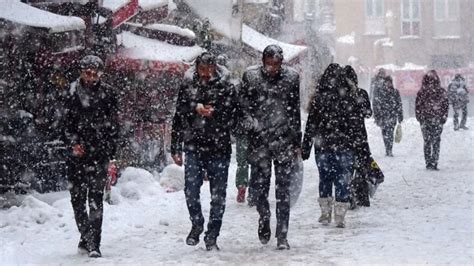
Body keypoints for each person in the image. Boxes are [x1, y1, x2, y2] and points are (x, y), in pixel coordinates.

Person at [171, 52, 238, 251]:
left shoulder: (226, 86)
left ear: (215, 68)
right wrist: (175, 146)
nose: (206, 74)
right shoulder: (188, 85)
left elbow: (234, 116)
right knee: (191, 190)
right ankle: (197, 223)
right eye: (202, 69)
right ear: (197, 68)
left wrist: (215, 113)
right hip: (193, 145)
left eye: (209, 70)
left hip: (219, 147)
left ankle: (212, 235)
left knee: (218, 195)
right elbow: (179, 114)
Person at [240, 45, 301, 250]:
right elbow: (243, 107)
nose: (272, 68)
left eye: (276, 64)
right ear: (263, 61)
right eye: (269, 64)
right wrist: (250, 124)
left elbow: (294, 112)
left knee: (283, 191)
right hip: (260, 141)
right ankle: (264, 217)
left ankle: (282, 234)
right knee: (259, 189)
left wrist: (296, 141)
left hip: (283, 140)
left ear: (281, 63)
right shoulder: (251, 78)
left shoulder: (291, 79)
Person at [62, 55, 120, 258]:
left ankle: (94, 242)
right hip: (77, 154)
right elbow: (64, 123)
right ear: (81, 72)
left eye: (95, 73)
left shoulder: (109, 94)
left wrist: (111, 154)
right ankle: (86, 235)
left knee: (95, 199)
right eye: (87, 73)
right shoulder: (71, 92)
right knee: (77, 199)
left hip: (99, 153)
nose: (91, 77)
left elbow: (114, 126)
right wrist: (73, 144)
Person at [302, 63, 366, 228]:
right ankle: (340, 214)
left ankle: (325, 212)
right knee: (342, 180)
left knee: (324, 179)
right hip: (345, 147)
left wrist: (306, 147)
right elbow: (357, 126)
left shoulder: (318, 99)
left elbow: (311, 125)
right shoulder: (350, 98)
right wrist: (361, 147)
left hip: (323, 147)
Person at [343, 66, 373, 208]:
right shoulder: (361, 93)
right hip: (359, 135)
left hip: (344, 136)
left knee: (346, 167)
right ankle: (359, 194)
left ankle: (347, 194)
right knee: (361, 166)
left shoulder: (340, 95)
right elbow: (368, 113)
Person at [415, 70, 449, 170]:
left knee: (428, 142)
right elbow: (445, 106)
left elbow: (418, 106)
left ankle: (429, 162)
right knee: (435, 142)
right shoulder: (440, 91)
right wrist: (443, 117)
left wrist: (420, 117)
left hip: (427, 119)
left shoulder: (422, 91)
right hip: (434, 119)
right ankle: (433, 162)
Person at [373, 76, 403, 156]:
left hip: (392, 116)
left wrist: (400, 115)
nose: (388, 84)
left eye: (389, 82)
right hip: (383, 117)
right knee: (384, 133)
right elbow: (377, 105)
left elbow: (399, 104)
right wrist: (377, 116)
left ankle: (389, 149)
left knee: (390, 133)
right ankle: (387, 148)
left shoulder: (395, 92)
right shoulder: (380, 92)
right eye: (387, 82)